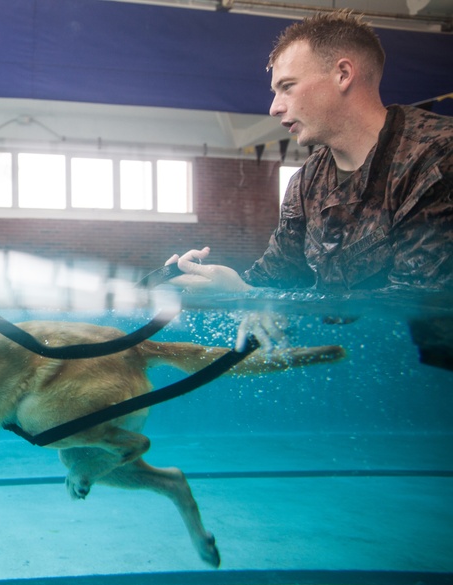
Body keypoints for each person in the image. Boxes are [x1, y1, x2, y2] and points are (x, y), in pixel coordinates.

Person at [164, 10, 453, 365]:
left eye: (287, 86)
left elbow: (415, 300)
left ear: (343, 74)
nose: (273, 107)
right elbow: (277, 277)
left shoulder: (438, 156)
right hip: (362, 373)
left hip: (435, 377)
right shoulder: (308, 180)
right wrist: (215, 283)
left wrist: (255, 298)